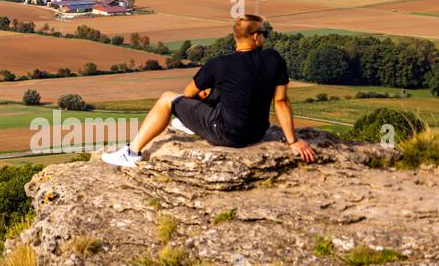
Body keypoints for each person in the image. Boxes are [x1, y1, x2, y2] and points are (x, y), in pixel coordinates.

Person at [102, 14, 316, 167]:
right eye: (265, 32)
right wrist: (293, 141)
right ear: (255, 37)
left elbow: (187, 94)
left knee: (167, 98)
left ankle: (131, 153)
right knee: (224, 89)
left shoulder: (220, 64)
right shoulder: (273, 59)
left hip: (226, 134)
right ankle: (189, 123)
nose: (266, 37)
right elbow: (280, 102)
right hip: (256, 132)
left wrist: (203, 94)